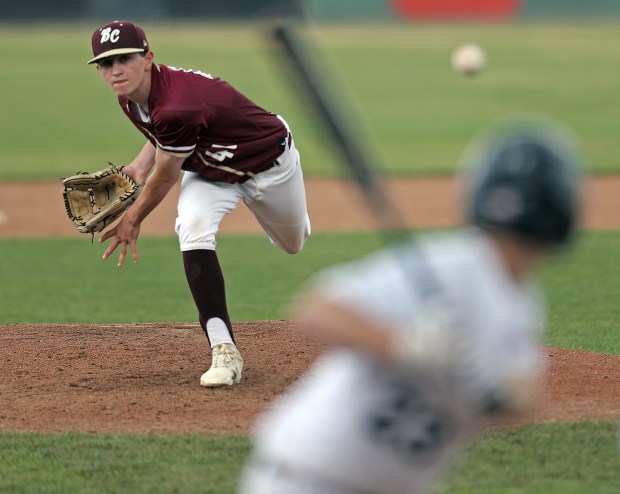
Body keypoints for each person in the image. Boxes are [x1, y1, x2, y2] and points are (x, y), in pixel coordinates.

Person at [238, 119, 583, 494]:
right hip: (309, 479)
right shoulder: (454, 264)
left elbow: (524, 397)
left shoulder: (519, 303)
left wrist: (492, 388)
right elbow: (315, 310)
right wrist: (407, 345)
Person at [88, 21, 311, 388]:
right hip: (210, 171)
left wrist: (132, 218)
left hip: (269, 165)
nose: (114, 71)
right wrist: (135, 169)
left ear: (148, 58)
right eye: (104, 63)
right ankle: (224, 349)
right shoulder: (129, 97)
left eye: (123, 59)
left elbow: (166, 173)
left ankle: (291, 222)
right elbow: (161, 139)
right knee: (191, 226)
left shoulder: (177, 104)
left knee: (293, 243)